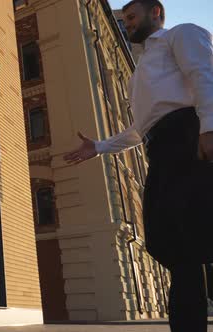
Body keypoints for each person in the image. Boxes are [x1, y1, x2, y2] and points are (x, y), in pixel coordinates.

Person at [64, 0, 213, 331]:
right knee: (166, 242)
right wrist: (101, 146)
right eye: (125, 19)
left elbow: (204, 74)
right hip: (160, 148)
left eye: (131, 17)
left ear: (155, 12)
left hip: (189, 135)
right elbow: (140, 128)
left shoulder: (181, 35)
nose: (127, 23)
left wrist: (208, 128)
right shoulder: (139, 73)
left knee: (189, 239)